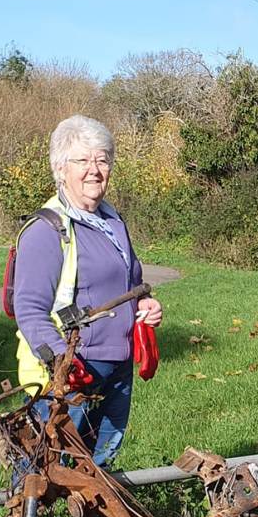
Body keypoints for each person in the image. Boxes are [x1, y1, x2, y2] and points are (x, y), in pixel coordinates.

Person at [13, 114, 162, 469]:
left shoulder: (111, 221)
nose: (95, 169)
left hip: (118, 365)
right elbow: (30, 310)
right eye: (83, 160)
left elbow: (132, 281)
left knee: (99, 464)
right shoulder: (47, 230)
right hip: (74, 369)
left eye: (102, 159)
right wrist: (63, 363)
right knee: (45, 466)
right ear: (60, 168)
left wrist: (146, 304)